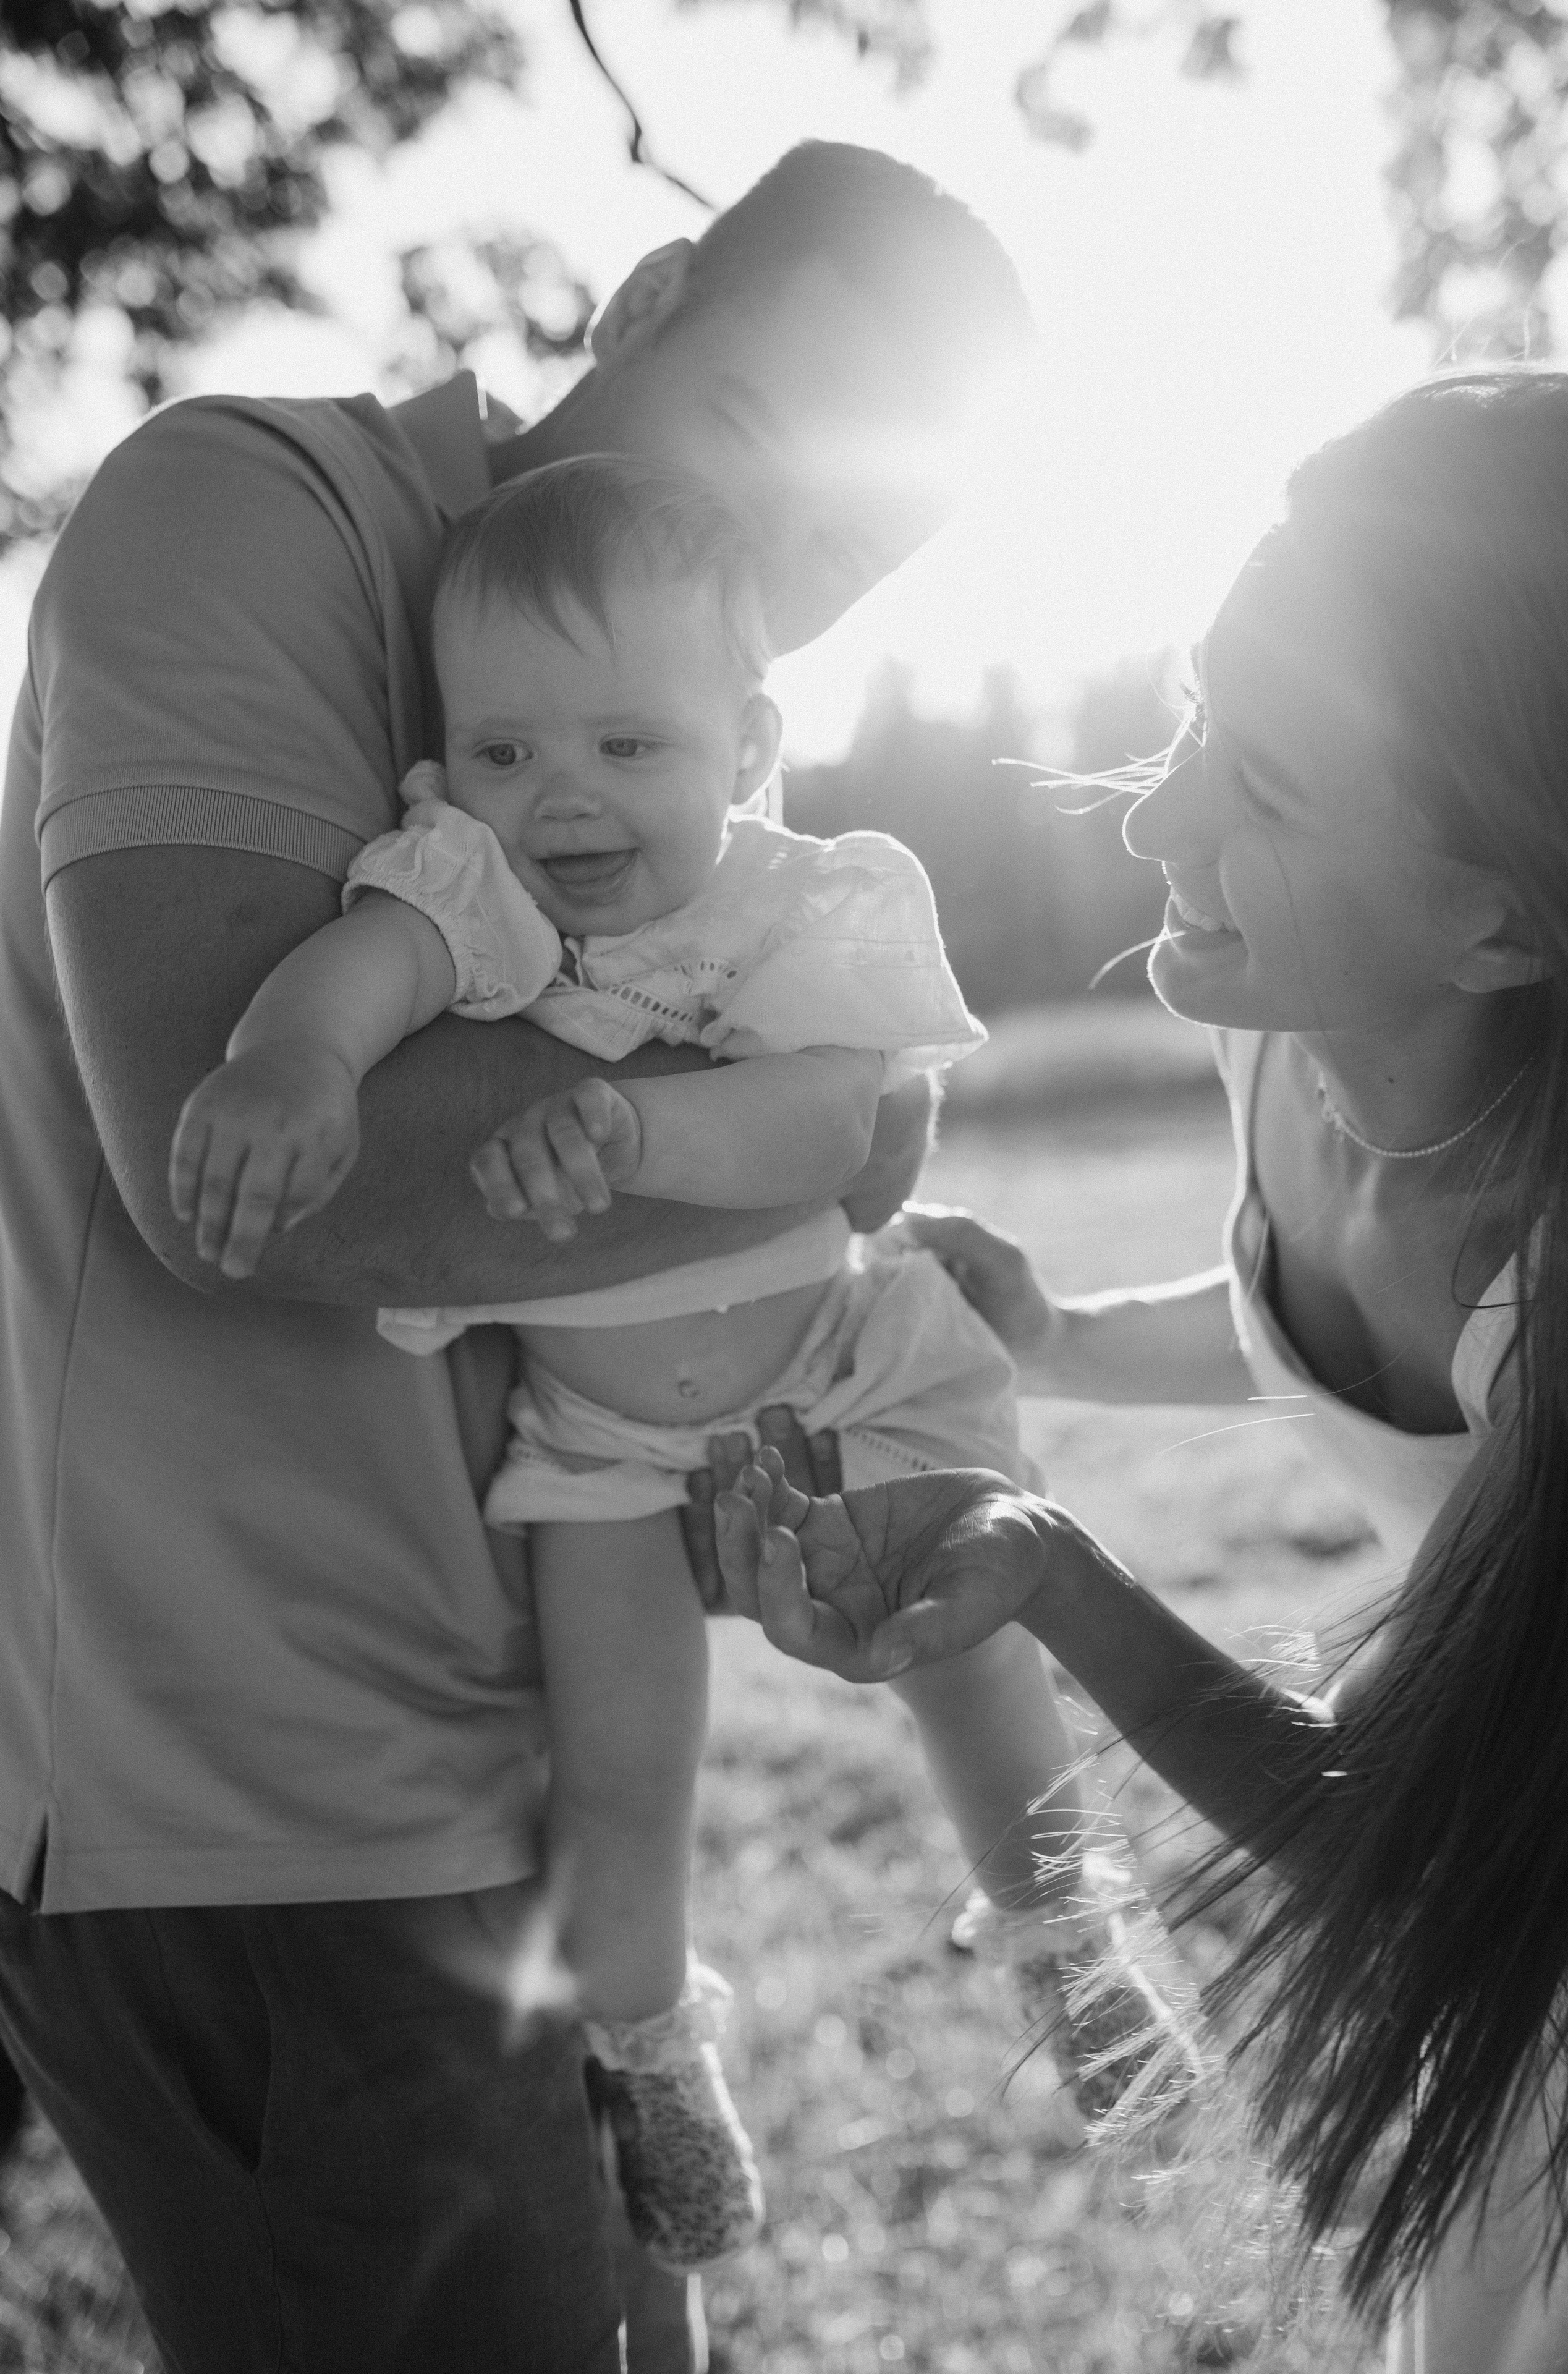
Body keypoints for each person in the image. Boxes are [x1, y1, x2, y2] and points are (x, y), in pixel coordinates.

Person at [0, 143, 1034, 2373]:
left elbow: (853, 1118)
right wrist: (801, 1144)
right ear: (649, 293)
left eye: (847, 549)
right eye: (762, 435)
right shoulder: (251, 507)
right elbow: (262, 1167)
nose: (766, 554)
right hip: (266, 1792)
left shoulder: (664, 728)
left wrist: (827, 1179)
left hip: (507, 1750)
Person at [166, 449, 1190, 2271]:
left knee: (972, 1662)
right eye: (508, 749)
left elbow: (830, 1127)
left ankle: (1071, 1945)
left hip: (847, 1356)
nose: (562, 798)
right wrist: (294, 1066)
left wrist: (627, 1137)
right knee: (620, 1768)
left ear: (745, 741)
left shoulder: (803, 903)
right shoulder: (472, 888)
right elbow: (368, 972)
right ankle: (651, 2056)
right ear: (453, 762)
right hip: (602, 1442)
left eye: (628, 746)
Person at [711, 368, 1568, 2373]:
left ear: (1504, 925)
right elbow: (1340, 1340)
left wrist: (1049, 1568)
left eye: (1268, 786)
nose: (1165, 808)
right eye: (1199, 712)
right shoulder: (1285, 1018)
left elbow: (1413, 1836)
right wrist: (1054, 1341)